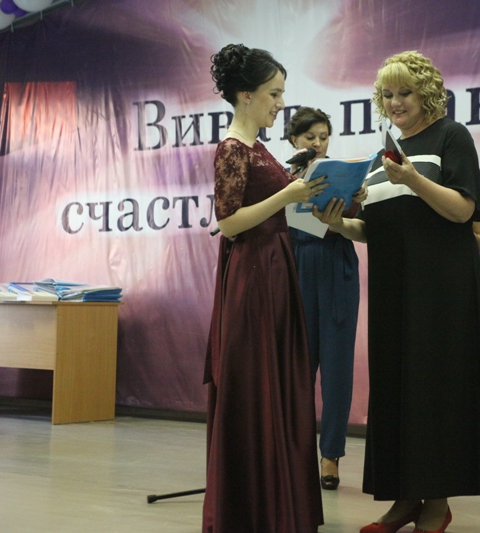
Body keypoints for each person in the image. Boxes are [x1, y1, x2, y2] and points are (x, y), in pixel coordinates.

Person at [314, 50, 480, 533]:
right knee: (396, 391)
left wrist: (413, 178)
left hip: (440, 291)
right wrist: (338, 224)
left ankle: (437, 503)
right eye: (388, 95)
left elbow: (463, 211)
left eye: (405, 93)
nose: (395, 102)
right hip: (392, 291)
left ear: (427, 94)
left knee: (434, 391)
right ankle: (404, 500)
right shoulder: (382, 157)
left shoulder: (452, 137)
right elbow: (374, 230)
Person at [203, 43, 326, 532]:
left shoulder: (256, 147)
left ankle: (274, 503)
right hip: (254, 276)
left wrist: (299, 188)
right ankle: (253, 509)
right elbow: (230, 222)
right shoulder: (232, 148)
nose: (280, 103)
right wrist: (288, 193)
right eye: (274, 94)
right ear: (246, 95)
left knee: (275, 384)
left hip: (273, 270)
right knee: (257, 386)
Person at [286, 107, 365, 490]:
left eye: (323, 136)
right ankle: (294, 451)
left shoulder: (341, 175)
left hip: (336, 265)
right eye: (310, 137)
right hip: (297, 264)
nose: (318, 143)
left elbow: (360, 225)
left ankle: (330, 455)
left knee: (336, 368)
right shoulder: (282, 177)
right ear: (294, 140)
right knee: (297, 368)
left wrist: (357, 199)